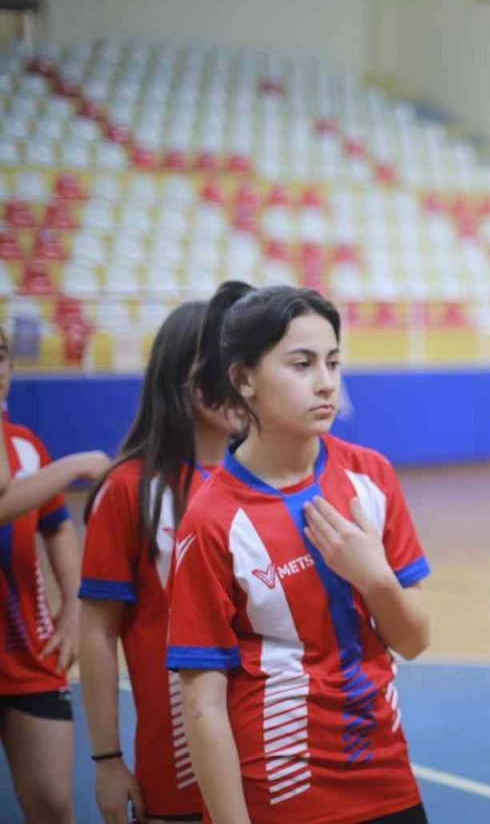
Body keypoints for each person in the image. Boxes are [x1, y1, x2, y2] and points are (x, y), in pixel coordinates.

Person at [166, 282, 432, 823]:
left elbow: (414, 640)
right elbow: (202, 703)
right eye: (302, 364)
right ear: (243, 380)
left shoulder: (370, 477)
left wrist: (375, 578)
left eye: (333, 363)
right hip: (283, 796)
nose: (326, 384)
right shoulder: (212, 519)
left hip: (388, 781)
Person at [79, 301, 241, 823]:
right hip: (176, 775)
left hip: (267, 767)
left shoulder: (267, 488)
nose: (236, 382)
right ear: (180, 377)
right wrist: (107, 760)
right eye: (218, 367)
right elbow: (98, 632)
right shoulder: (129, 490)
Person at [0, 323, 110, 823]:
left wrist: (71, 609)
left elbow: (56, 526)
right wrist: (76, 465)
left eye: (1, 354)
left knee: (53, 805)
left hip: (27, 653)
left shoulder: (26, 447)